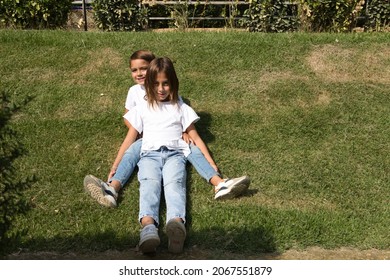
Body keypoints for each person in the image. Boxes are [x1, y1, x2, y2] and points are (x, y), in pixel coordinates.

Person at [84, 50, 250, 208]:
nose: (140, 73)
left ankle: (220, 184)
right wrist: (119, 160)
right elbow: (129, 126)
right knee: (133, 151)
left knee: (191, 148)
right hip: (146, 138)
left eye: (144, 69)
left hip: (172, 142)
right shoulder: (135, 93)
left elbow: (185, 125)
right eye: (135, 70)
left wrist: (208, 158)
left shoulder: (175, 101)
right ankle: (112, 188)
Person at [125, 57, 209, 253]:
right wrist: (117, 164)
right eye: (156, 84)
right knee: (149, 185)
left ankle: (176, 224)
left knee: (175, 185)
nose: (161, 89)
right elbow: (129, 139)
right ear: (148, 85)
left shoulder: (180, 107)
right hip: (148, 156)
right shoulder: (142, 108)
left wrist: (211, 164)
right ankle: (148, 228)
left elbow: (194, 136)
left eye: (165, 84)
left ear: (173, 84)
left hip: (175, 156)